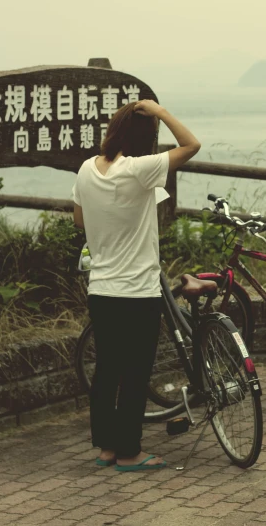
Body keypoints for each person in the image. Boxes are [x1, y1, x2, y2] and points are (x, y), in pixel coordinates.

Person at [72, 99, 200, 471]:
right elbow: (192, 145)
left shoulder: (86, 169)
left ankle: (107, 448)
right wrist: (160, 112)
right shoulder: (139, 169)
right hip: (138, 291)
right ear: (146, 137)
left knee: (107, 370)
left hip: (102, 289)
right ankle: (130, 452)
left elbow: (80, 221)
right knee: (135, 372)